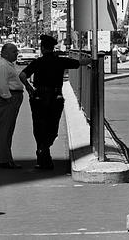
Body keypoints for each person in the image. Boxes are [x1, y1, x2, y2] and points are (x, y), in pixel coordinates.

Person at [19, 34, 92, 170]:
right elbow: (80, 63)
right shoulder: (60, 61)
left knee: (39, 126)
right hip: (55, 96)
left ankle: (42, 154)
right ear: (53, 48)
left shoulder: (38, 62)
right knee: (53, 127)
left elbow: (22, 75)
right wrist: (95, 58)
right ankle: (44, 151)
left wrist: (29, 88)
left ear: (42, 48)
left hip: (39, 97)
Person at [0, 42, 28, 169]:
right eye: (14, 52)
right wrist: (8, 99)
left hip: (10, 98)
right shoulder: (3, 65)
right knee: (5, 131)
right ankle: (4, 160)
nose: (17, 54)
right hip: (8, 99)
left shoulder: (8, 65)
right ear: (5, 53)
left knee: (5, 130)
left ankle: (2, 158)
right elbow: (2, 85)